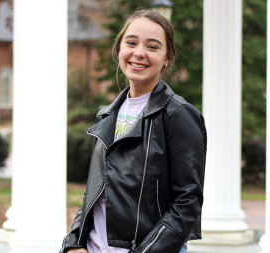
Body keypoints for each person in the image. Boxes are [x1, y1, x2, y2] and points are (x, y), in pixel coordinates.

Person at [60, 10, 207, 253]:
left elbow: (187, 202)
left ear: (167, 57)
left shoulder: (179, 115)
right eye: (131, 42)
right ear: (119, 49)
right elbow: (96, 190)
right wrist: (74, 242)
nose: (139, 53)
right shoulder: (107, 114)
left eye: (152, 46)